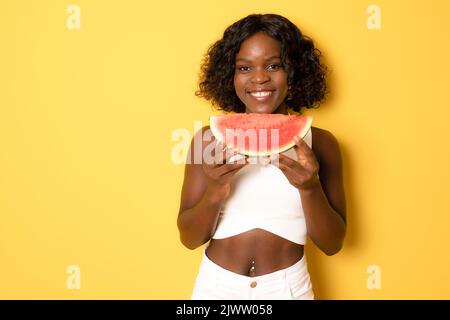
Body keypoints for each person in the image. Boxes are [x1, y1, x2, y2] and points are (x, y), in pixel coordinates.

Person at [177, 13, 347, 300]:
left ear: (294, 71)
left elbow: (333, 244)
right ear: (229, 75)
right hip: (215, 288)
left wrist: (310, 187)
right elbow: (189, 238)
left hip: (289, 288)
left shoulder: (323, 143)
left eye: (274, 65)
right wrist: (215, 192)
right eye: (244, 68)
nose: (259, 78)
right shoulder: (207, 139)